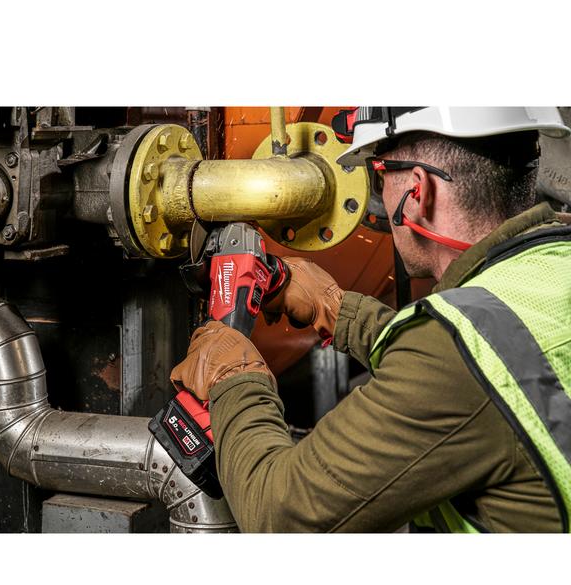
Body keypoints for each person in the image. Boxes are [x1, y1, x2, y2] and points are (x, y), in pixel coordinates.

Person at [171, 107, 571, 533]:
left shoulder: (452, 357)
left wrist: (234, 379)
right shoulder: (551, 266)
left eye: (380, 176)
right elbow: (500, 361)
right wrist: (339, 311)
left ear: (417, 191)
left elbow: (280, 514)